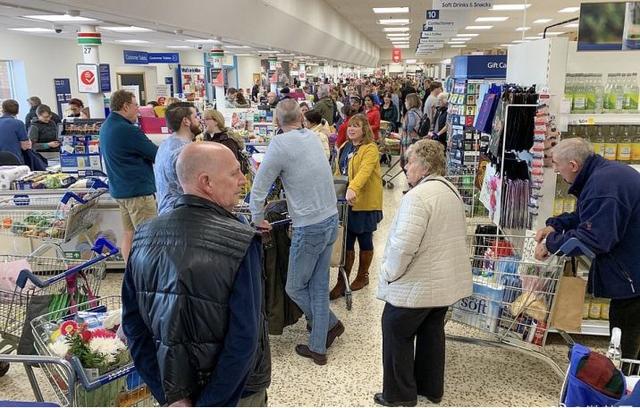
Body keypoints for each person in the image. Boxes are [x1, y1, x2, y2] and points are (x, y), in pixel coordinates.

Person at [123, 142, 271, 407]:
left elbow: (134, 327)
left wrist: (170, 395)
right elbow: (244, 339)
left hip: (173, 387)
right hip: (237, 393)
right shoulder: (240, 241)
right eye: (235, 173)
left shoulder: (143, 236)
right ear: (207, 182)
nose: (243, 180)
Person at [374, 139, 471, 407]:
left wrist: (389, 273)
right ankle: (431, 388)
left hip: (418, 285)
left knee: (395, 329)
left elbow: (404, 246)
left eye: (410, 161)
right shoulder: (450, 190)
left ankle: (398, 394)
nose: (405, 167)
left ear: (425, 166)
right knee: (431, 333)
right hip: (443, 284)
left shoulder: (417, 197)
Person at [250, 98, 344, 365]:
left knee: (294, 287)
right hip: (329, 219)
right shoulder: (313, 138)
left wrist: (257, 217)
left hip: (310, 226)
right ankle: (318, 346)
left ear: (277, 121)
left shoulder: (279, 144)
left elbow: (259, 188)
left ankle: (331, 323)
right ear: (301, 118)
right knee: (317, 284)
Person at [534, 138, 640, 361]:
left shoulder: (603, 185)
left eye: (555, 164)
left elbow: (595, 238)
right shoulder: (603, 175)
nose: (554, 169)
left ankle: (626, 384)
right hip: (631, 262)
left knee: (625, 334)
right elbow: (588, 217)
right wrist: (557, 224)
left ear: (573, 165)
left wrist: (551, 244)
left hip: (633, 271)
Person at [99, 89, 158, 262]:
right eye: (136, 106)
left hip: (120, 191)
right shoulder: (127, 130)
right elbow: (155, 153)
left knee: (129, 234)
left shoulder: (107, 126)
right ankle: (146, 277)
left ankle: (131, 274)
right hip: (137, 193)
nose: (138, 110)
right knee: (148, 238)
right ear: (125, 106)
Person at [330, 114, 383, 299]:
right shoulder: (345, 146)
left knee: (365, 239)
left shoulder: (370, 149)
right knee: (346, 241)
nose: (352, 129)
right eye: (350, 125)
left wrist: (352, 188)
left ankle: (363, 276)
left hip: (365, 203)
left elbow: (364, 172)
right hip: (346, 203)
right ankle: (341, 282)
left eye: (356, 126)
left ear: (364, 129)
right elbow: (339, 172)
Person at [154, 102, 199, 215]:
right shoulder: (186, 151)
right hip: (182, 216)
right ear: (186, 121)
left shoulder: (165, 145)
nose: (199, 120)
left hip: (165, 212)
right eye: (195, 117)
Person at [0, 99, 31, 164]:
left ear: (2, 110)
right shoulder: (18, 123)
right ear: (17, 111)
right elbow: (25, 147)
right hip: (14, 160)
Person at [401, 93, 423, 169]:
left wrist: (408, 131)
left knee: (408, 161)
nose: (405, 103)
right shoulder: (419, 111)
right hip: (417, 138)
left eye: (406, 101)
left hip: (409, 140)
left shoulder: (410, 113)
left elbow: (411, 125)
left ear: (410, 102)